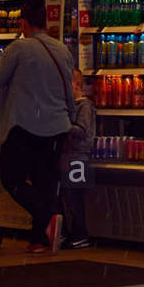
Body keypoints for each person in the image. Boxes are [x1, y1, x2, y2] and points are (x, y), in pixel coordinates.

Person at [0, 0, 73, 254]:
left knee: (13, 179)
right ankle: (39, 239)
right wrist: (71, 119)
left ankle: (48, 217)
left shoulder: (19, 49)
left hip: (26, 127)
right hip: (57, 127)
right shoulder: (63, 49)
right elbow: (68, 91)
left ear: (23, 23)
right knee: (45, 181)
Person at [59, 68, 94, 249]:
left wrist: (62, 124)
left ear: (76, 84)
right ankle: (71, 233)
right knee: (68, 196)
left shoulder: (84, 106)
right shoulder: (72, 106)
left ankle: (80, 233)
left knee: (74, 197)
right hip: (70, 156)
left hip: (78, 156)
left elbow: (81, 131)